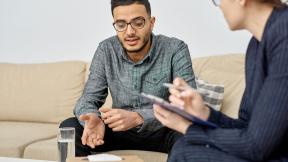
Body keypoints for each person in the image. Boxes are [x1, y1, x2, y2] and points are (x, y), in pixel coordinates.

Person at [153, 0, 288, 161]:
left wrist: (186, 127)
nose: (218, 5)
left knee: (186, 153)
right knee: (183, 146)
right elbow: (246, 127)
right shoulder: (256, 46)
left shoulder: (284, 35)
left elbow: (256, 146)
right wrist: (204, 113)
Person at [59, 0, 197, 156]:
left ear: (151, 23)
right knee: (69, 126)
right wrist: (93, 117)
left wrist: (140, 117)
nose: (129, 32)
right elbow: (88, 99)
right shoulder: (106, 49)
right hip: (118, 131)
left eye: (138, 23)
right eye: (121, 24)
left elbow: (188, 106)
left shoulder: (175, 49)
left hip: (162, 130)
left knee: (191, 132)